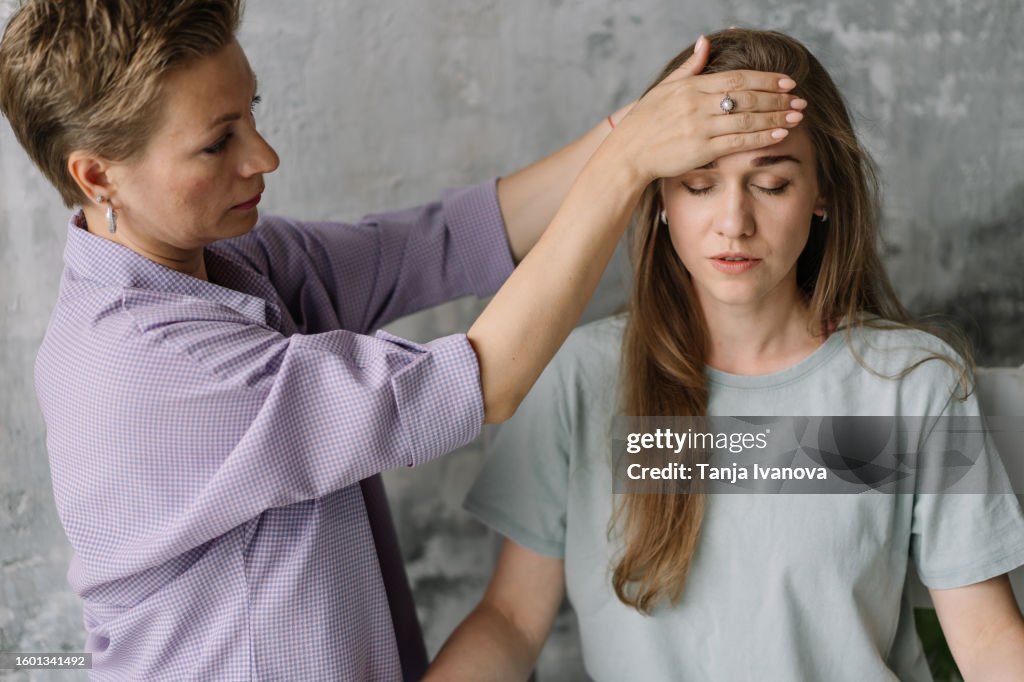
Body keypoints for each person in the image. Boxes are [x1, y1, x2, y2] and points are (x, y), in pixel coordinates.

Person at [0, 1, 808, 679]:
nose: (263, 156)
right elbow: (480, 386)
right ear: (97, 175)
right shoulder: (145, 365)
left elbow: (441, 242)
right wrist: (627, 164)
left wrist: (631, 127)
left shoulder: (232, 262)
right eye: (218, 142)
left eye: (254, 113)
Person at [427, 29, 1024, 681]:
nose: (733, 221)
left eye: (770, 184)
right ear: (659, 197)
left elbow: (989, 638)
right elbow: (511, 620)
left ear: (821, 194)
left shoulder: (916, 387)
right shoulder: (576, 376)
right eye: (699, 185)